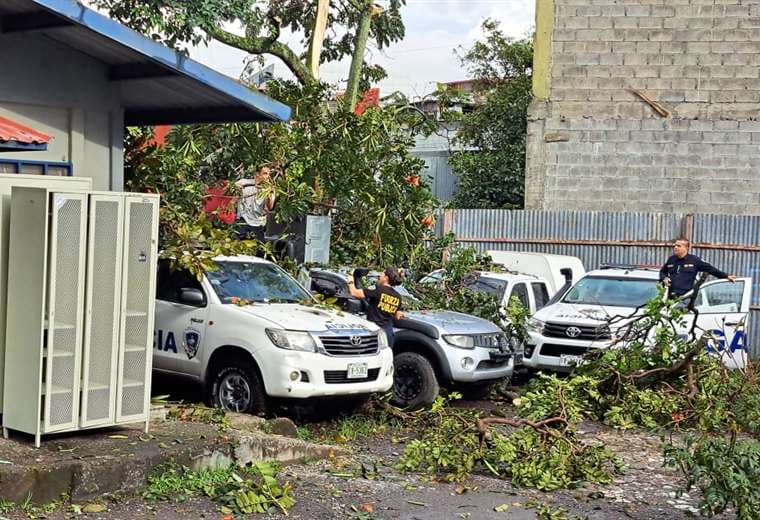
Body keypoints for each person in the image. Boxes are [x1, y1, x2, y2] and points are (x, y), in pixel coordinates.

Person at [347, 267, 404, 346]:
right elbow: (396, 314)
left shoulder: (378, 290)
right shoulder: (398, 296)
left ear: (386, 278)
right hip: (388, 333)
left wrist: (350, 279)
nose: (379, 276)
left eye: (382, 274)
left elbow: (354, 293)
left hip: (375, 332)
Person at [659, 238, 736, 297]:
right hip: (670, 296)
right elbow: (662, 271)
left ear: (686, 248)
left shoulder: (694, 260)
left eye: (678, 246)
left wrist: (726, 276)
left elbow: (711, 269)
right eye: (675, 245)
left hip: (685, 297)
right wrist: (664, 278)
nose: (675, 247)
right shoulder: (671, 259)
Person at [235, 167, 276, 242]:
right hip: (243, 221)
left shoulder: (269, 189)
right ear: (257, 174)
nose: (268, 176)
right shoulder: (245, 182)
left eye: (269, 174)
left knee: (259, 250)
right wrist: (236, 187)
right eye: (265, 173)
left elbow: (269, 207)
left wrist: (270, 196)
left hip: (258, 224)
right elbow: (233, 186)